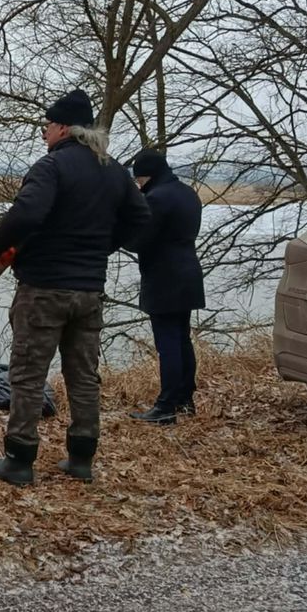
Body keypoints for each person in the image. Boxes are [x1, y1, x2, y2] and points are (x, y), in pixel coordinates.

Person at [0, 89, 151, 486]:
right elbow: (141, 219)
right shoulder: (113, 170)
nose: (43, 133)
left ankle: (19, 460)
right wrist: (101, 247)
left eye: (46, 126)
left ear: (62, 128)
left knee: (27, 375)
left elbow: (27, 212)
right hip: (89, 290)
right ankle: (81, 458)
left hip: (43, 288)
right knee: (83, 376)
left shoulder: (52, 167)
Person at [127, 149, 205, 424]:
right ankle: (185, 400)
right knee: (182, 339)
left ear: (147, 175)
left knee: (168, 342)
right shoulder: (188, 193)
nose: (138, 183)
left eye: (138, 179)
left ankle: (166, 406)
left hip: (164, 277)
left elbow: (138, 240)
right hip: (189, 271)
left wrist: (121, 231)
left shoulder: (156, 198)